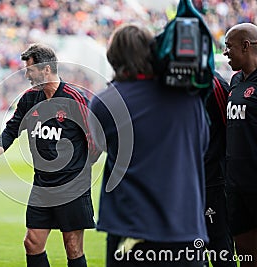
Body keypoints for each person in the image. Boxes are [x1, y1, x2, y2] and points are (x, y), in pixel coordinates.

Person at [88, 24, 209, 267]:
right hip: (187, 229)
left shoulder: (104, 101)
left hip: (130, 230)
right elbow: (202, 145)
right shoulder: (189, 97)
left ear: (113, 57)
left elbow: (99, 145)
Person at [0, 43, 95, 267]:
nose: (26, 74)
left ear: (46, 69)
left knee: (73, 246)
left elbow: (94, 140)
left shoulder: (75, 97)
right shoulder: (29, 98)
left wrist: (78, 170)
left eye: (30, 69)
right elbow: (11, 129)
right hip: (42, 185)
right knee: (32, 243)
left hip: (72, 186)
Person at [223, 22, 257, 267]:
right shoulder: (234, 82)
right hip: (235, 186)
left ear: (246, 46)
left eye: (229, 47)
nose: (225, 53)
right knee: (243, 250)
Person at [203, 71, 236, 267]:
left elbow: (231, 128)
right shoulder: (165, 83)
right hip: (181, 185)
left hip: (212, 182)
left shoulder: (213, 83)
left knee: (220, 250)